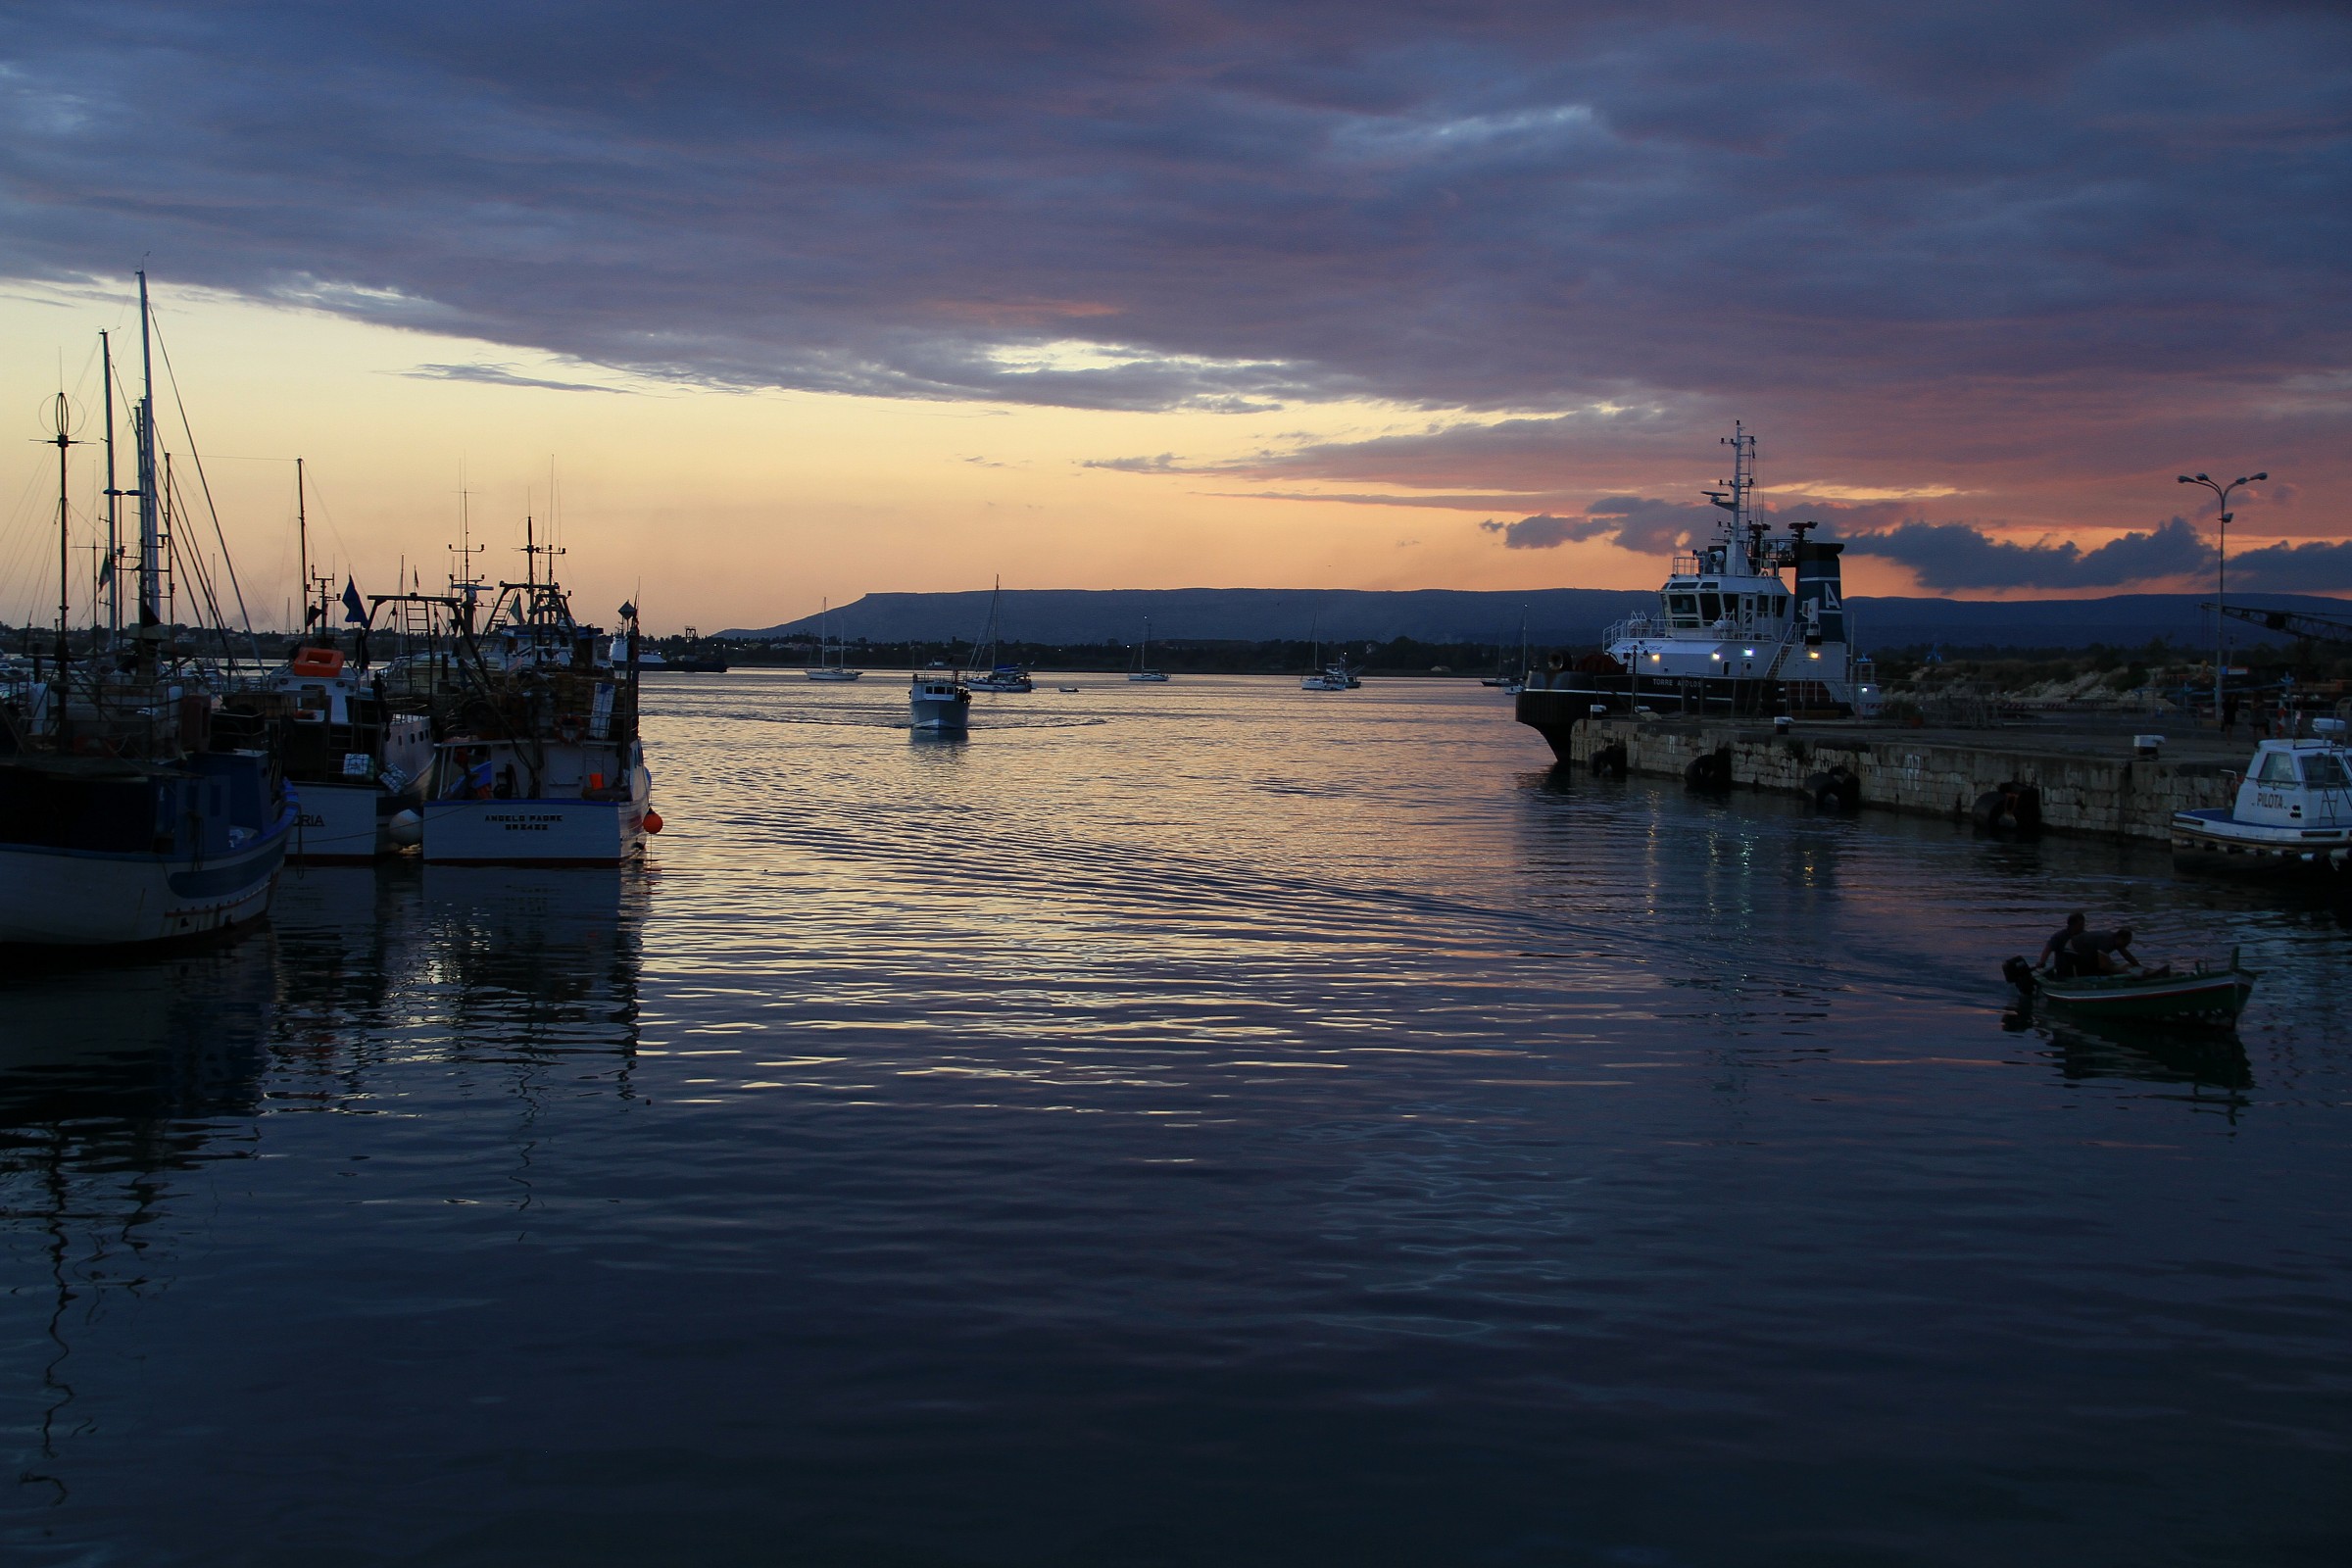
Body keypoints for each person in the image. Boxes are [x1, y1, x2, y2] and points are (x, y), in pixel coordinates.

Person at [2067, 925, 2140, 976]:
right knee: (2101, 969)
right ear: (2120, 938)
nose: (2126, 946)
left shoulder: (2116, 939)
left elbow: (2127, 955)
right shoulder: (2107, 941)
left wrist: (2139, 967)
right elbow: (2103, 965)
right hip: (2073, 949)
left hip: (2086, 949)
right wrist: (2120, 969)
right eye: (2126, 943)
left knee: (2108, 965)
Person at [2038, 912, 2087, 977]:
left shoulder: (2086, 936)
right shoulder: (2059, 936)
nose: (2083, 927)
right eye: (2080, 925)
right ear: (2072, 925)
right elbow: (2048, 949)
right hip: (2062, 971)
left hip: (2080, 970)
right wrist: (2042, 962)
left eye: (2083, 924)